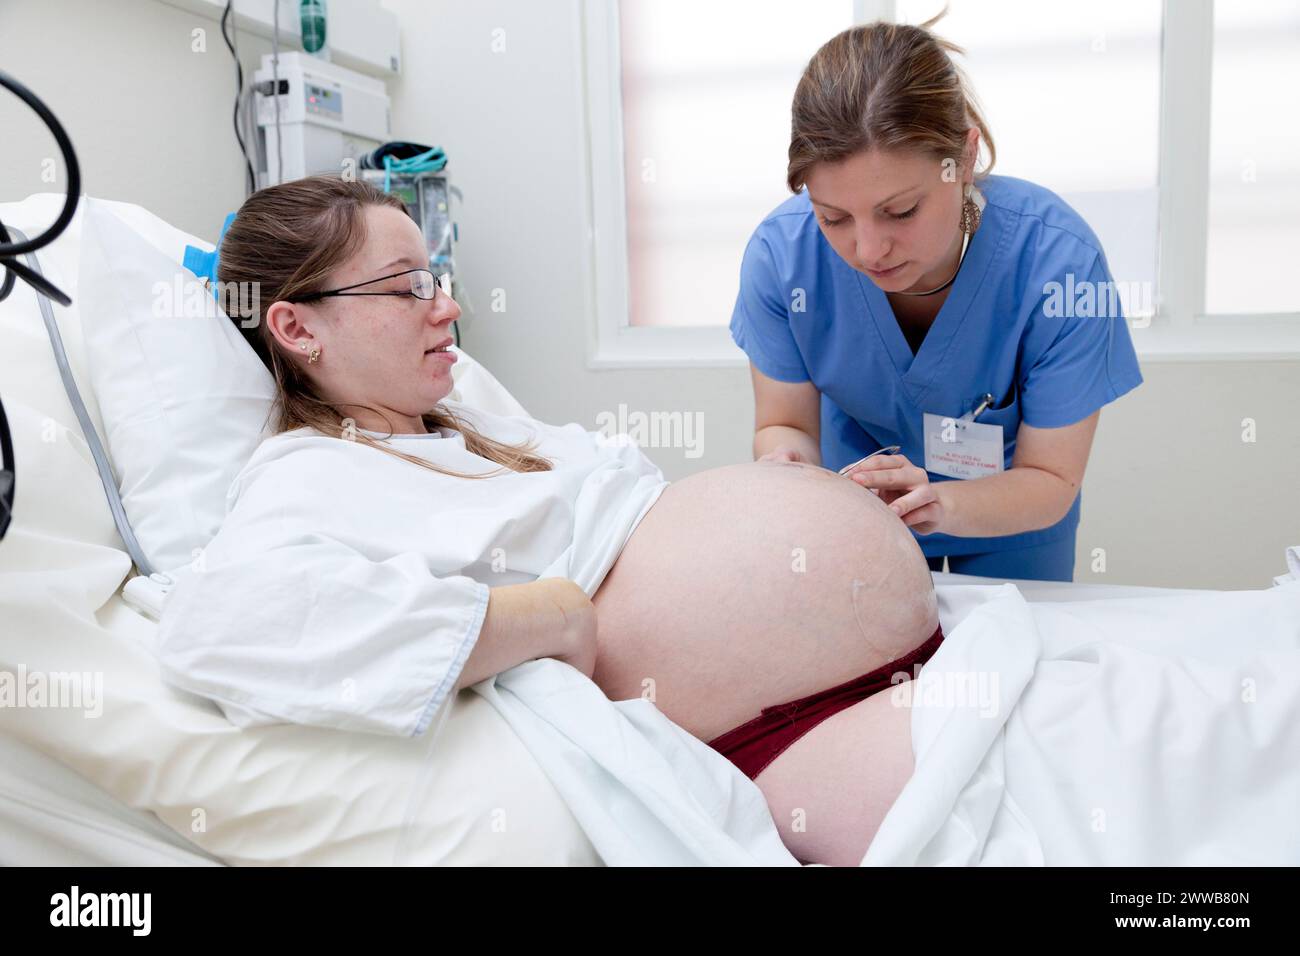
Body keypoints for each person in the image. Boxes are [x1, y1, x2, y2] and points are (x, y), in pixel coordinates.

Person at [156, 175, 941, 865]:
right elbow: (221, 622)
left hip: (858, 675)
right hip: (770, 731)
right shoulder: (308, 473)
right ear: (297, 329)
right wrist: (545, 613)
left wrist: (826, 518)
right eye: (407, 288)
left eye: (435, 278)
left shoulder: (470, 423)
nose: (449, 308)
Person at [731, 17, 1144, 582]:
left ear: (965, 158)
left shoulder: (1059, 264)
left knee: (1022, 661)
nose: (868, 249)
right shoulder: (783, 259)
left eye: (900, 211)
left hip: (1013, 522)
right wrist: (788, 463)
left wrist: (940, 504)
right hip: (860, 515)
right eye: (833, 217)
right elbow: (785, 426)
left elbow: (1050, 478)